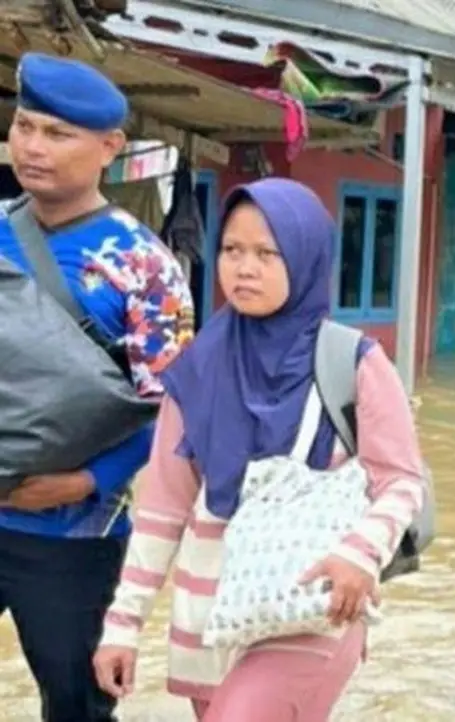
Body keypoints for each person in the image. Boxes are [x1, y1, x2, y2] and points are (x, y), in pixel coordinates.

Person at [91, 179, 430, 721]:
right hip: (212, 617)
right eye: (231, 250)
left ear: (305, 257)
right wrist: (123, 626)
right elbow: (162, 511)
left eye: (267, 253)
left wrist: (358, 552)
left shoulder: (355, 363)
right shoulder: (196, 371)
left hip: (313, 604)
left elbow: (401, 481)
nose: (244, 268)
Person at [0, 53, 195, 722]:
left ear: (111, 147)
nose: (32, 146)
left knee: (76, 703)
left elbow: (175, 408)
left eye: (57, 134)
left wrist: (86, 482)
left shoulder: (145, 267)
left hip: (73, 532)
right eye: (24, 126)